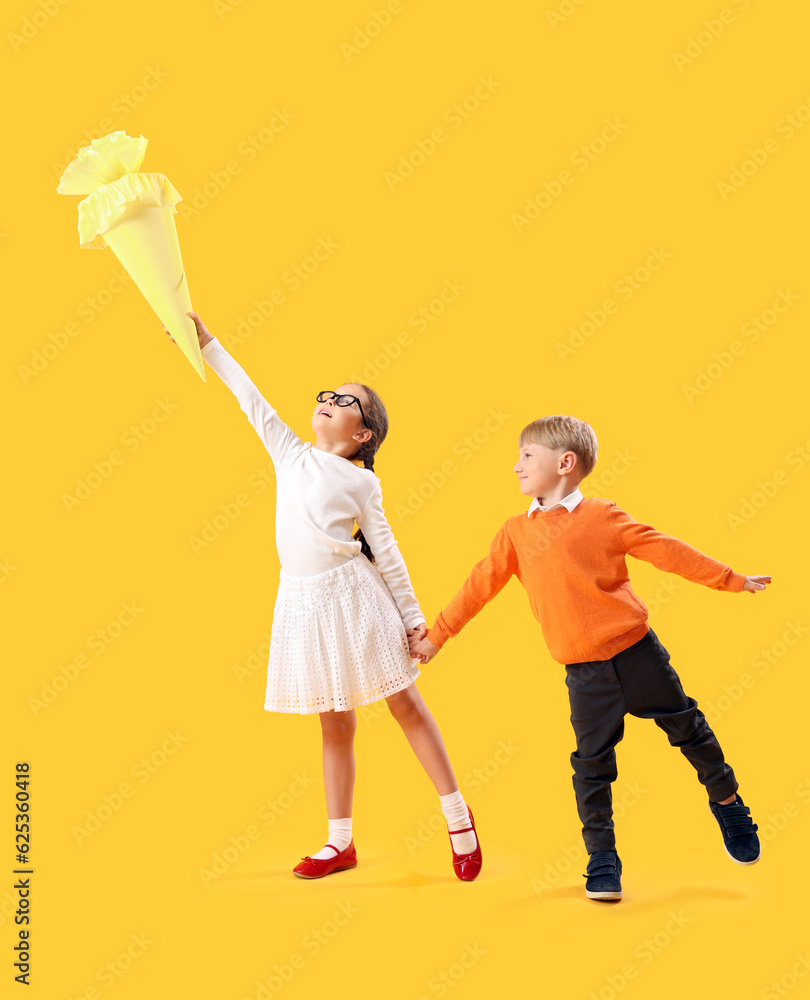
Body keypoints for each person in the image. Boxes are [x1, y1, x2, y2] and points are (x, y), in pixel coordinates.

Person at [165, 312, 482, 882]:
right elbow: (248, 396)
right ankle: (341, 843)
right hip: (304, 606)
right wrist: (206, 342)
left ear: (363, 435)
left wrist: (416, 625)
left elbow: (388, 555)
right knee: (333, 723)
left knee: (404, 704)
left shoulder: (362, 482)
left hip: (356, 602)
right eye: (329, 395)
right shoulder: (290, 453)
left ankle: (458, 817)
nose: (330, 401)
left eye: (347, 401)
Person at [409, 414, 770, 901]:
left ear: (564, 462)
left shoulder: (603, 516)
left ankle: (728, 806)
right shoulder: (515, 532)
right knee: (591, 764)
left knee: (690, 730)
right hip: (584, 674)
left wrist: (730, 578)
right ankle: (602, 857)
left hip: (638, 655)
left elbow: (666, 550)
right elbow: (478, 587)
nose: (515, 466)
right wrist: (437, 636)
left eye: (526, 456)